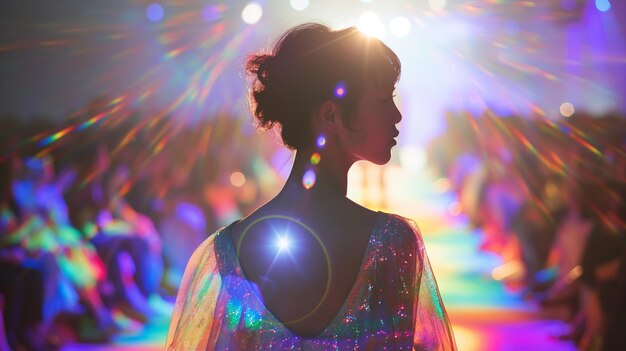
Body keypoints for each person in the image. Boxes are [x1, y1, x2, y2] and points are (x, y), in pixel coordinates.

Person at [166, 23, 456, 350]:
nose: (397, 115)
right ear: (330, 115)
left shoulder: (229, 248)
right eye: (382, 100)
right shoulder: (391, 242)